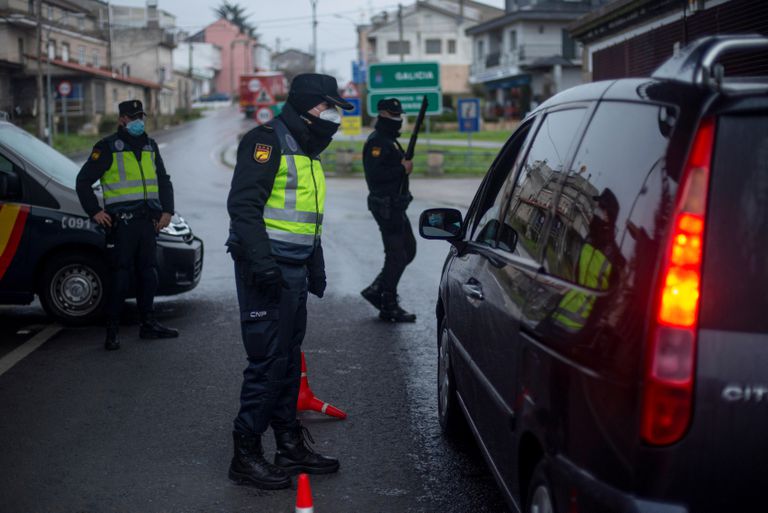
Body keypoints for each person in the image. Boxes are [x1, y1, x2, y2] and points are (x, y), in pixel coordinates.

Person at [226, 73, 352, 490]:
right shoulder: (266, 142)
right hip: (266, 269)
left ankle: (288, 445)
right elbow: (244, 208)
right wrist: (263, 266)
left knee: (287, 358)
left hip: (292, 270)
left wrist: (314, 265)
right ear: (306, 105)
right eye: (326, 107)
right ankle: (245, 455)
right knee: (267, 362)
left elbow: (306, 220)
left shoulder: (306, 151)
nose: (331, 116)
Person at [76, 99, 178, 351]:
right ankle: (112, 332)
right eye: (133, 117)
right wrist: (95, 212)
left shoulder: (150, 146)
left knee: (149, 273)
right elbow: (83, 181)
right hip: (122, 225)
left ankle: (148, 324)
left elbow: (163, 180)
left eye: (140, 116)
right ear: (122, 119)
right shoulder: (108, 147)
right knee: (120, 276)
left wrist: (167, 211)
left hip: (147, 223)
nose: (138, 121)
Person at [360, 98, 417, 323]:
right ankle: (388, 304)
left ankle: (377, 289)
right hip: (386, 206)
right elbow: (375, 176)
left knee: (408, 250)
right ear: (382, 114)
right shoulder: (378, 142)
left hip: (396, 205)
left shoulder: (389, 140)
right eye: (394, 116)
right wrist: (401, 168)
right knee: (397, 255)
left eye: (399, 116)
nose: (398, 120)